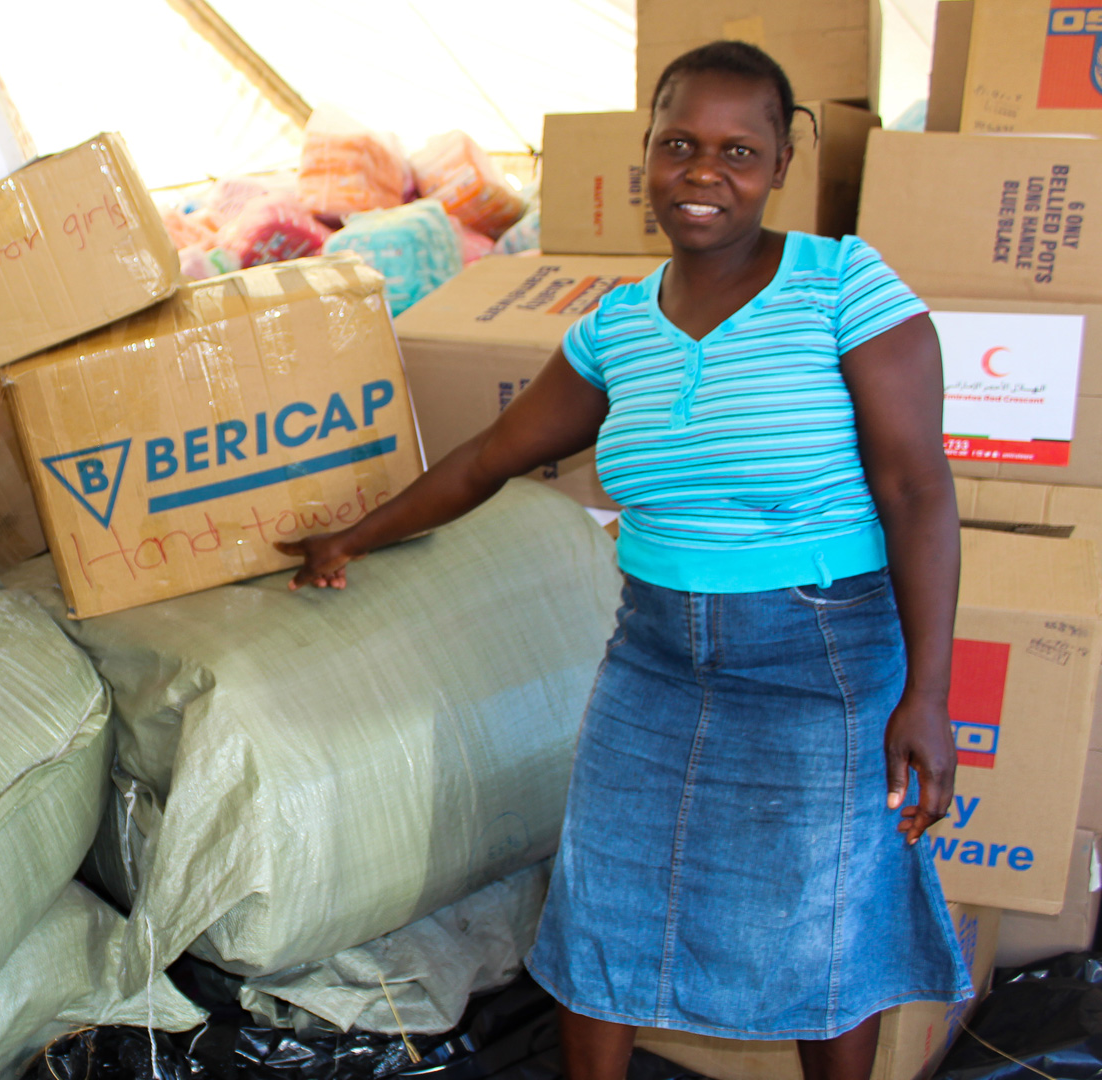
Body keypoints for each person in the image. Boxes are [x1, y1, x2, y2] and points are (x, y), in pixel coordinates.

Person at [282, 41, 968, 1080]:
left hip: (820, 662)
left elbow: (919, 493)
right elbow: (488, 459)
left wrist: (927, 695)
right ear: (646, 153)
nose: (705, 174)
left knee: (820, 921)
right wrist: (351, 537)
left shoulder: (845, 289)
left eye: (740, 150)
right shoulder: (620, 328)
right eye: (680, 145)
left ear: (783, 162)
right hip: (655, 662)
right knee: (605, 903)